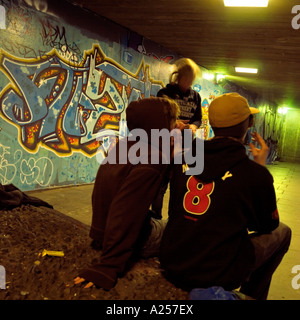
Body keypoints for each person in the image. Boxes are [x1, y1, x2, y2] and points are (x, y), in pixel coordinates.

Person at [159, 92, 291, 300]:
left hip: (172, 261)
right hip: (219, 272)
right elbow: (266, 225)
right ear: (249, 124)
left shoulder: (183, 158)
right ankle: (251, 296)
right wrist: (260, 171)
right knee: (284, 232)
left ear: (212, 124)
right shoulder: (254, 173)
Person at [74, 97, 180, 290]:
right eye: (171, 122)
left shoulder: (126, 145)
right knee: (178, 227)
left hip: (102, 230)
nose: (174, 128)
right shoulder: (152, 158)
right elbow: (125, 212)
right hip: (131, 238)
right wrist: (108, 265)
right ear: (160, 125)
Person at [152, 58, 202, 216]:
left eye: (191, 80)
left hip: (186, 144)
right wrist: (174, 123)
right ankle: (157, 217)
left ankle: (175, 218)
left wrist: (193, 126)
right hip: (167, 144)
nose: (188, 83)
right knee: (161, 183)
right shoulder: (165, 94)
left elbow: (198, 118)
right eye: (186, 79)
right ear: (179, 77)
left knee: (180, 184)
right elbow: (158, 116)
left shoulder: (196, 97)